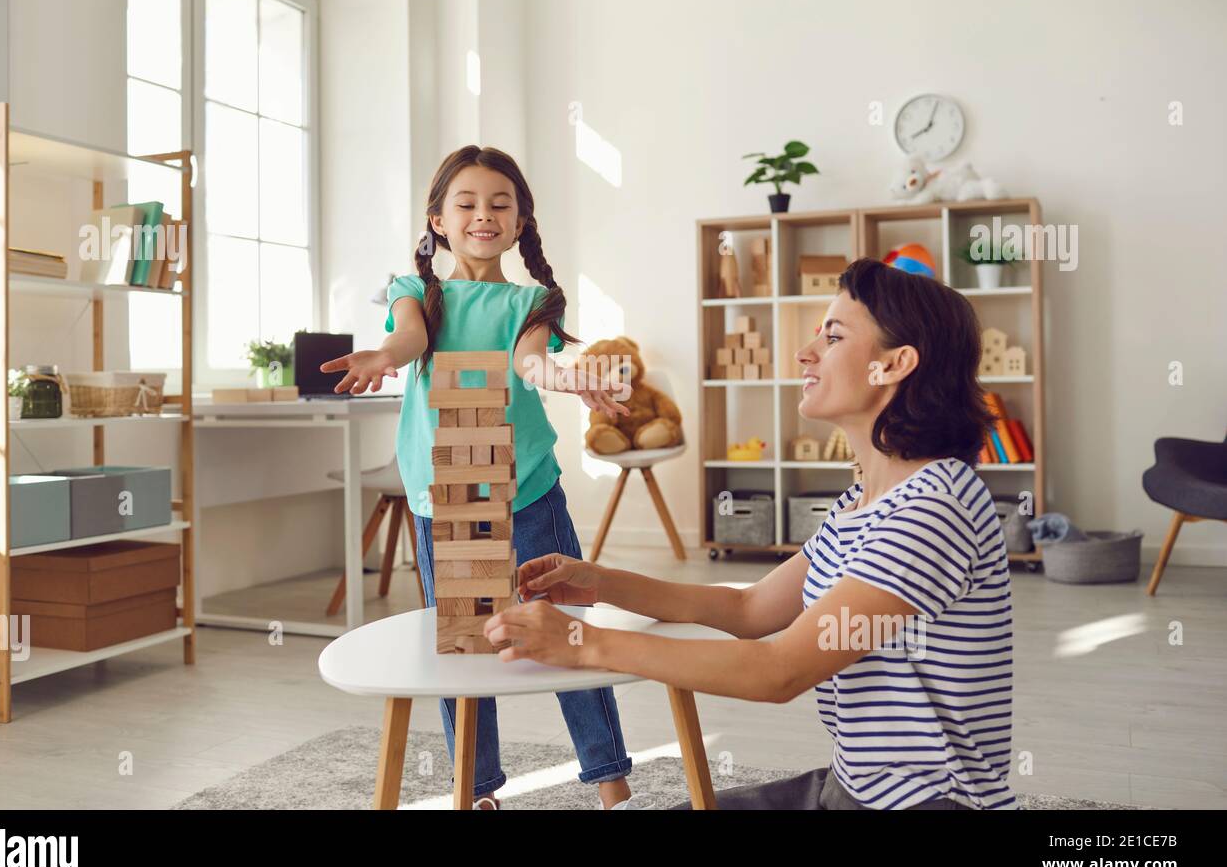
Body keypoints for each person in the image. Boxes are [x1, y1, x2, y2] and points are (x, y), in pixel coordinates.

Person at [485, 258, 1017, 810]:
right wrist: (602, 582)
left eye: (833, 337)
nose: (805, 354)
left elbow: (779, 670)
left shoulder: (933, 508)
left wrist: (583, 643)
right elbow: (751, 608)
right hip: (852, 789)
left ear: (896, 364)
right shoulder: (862, 503)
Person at [322, 145, 648, 810]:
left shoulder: (533, 299)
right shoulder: (417, 292)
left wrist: (571, 376)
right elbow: (410, 339)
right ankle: (476, 791)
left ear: (522, 219)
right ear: (437, 219)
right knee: (466, 650)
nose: (483, 215)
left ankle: (611, 781)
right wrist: (384, 354)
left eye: (501, 204)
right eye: (466, 203)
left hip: (526, 487)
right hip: (447, 493)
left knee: (567, 631)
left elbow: (534, 364)